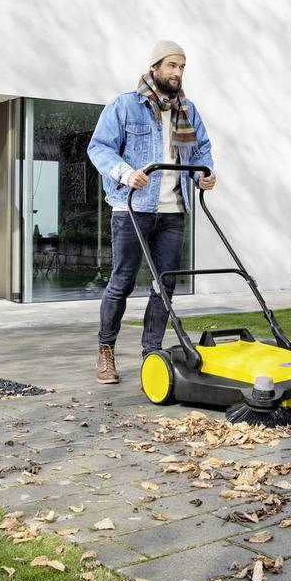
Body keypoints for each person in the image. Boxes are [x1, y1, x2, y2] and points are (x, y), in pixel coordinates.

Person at [85, 40, 216, 384]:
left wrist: (206, 173)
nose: (177, 72)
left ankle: (151, 352)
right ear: (155, 67)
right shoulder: (125, 106)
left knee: (165, 285)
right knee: (122, 282)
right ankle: (105, 350)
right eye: (172, 65)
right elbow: (98, 148)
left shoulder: (187, 110)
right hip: (132, 209)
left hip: (173, 211)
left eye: (182, 67)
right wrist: (127, 173)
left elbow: (202, 148)